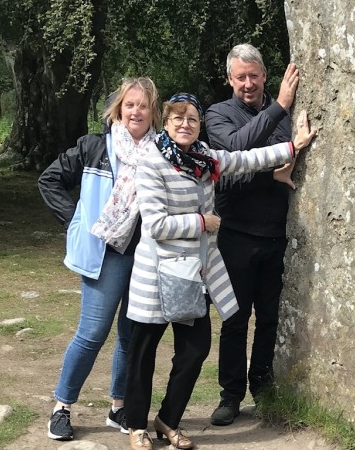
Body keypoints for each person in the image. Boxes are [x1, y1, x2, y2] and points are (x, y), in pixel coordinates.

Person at [123, 92, 317, 450]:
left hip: (193, 275)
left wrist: (293, 147)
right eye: (178, 118)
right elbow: (154, 225)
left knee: (195, 350)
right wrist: (203, 222)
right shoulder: (151, 162)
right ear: (165, 122)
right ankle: (136, 425)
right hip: (156, 276)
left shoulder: (204, 159)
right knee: (142, 353)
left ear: (199, 127)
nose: (185, 124)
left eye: (192, 119)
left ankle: (168, 420)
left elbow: (246, 159)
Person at [38, 77, 160, 441]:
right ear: (118, 110)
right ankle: (61, 407)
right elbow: (50, 180)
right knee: (91, 333)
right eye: (130, 104)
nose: (136, 111)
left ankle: (118, 407)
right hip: (106, 255)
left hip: (146, 256)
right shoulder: (95, 147)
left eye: (143, 105)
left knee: (129, 334)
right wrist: (76, 220)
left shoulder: (163, 152)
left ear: (154, 111)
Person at [204, 43, 303, 426]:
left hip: (276, 234)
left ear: (264, 75)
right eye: (240, 77)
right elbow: (233, 154)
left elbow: (293, 157)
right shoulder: (218, 114)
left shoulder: (283, 117)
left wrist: (282, 114)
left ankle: (262, 388)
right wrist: (278, 106)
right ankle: (230, 395)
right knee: (234, 318)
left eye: (254, 76)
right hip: (237, 234)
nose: (248, 84)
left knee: (270, 318)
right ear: (230, 79)